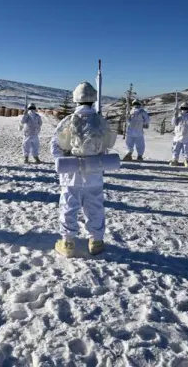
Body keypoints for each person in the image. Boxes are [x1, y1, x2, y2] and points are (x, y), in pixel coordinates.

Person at [51, 82, 114, 257]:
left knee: (69, 206)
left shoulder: (68, 121)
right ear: (93, 99)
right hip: (94, 174)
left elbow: (55, 146)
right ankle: (96, 241)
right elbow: (107, 146)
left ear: (75, 99)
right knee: (95, 206)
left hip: (72, 174)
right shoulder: (101, 121)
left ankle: (68, 243)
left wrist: (64, 161)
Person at [169, 102, 188, 167]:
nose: (184, 109)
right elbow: (173, 123)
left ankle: (186, 160)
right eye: (183, 108)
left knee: (186, 149)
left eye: (185, 108)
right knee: (175, 148)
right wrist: (175, 115)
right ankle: (174, 160)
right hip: (178, 136)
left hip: (186, 136)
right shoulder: (178, 115)